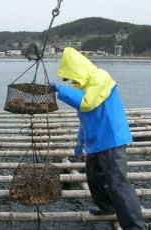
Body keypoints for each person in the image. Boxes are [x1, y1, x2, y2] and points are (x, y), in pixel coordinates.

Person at [50, 47, 145, 229]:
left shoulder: (100, 77)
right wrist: (80, 141)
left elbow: (87, 102)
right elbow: (85, 117)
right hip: (95, 141)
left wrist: (61, 90)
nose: (71, 81)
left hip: (111, 139)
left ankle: (135, 226)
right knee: (93, 178)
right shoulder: (83, 85)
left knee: (118, 184)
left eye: (71, 76)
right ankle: (108, 207)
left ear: (77, 68)